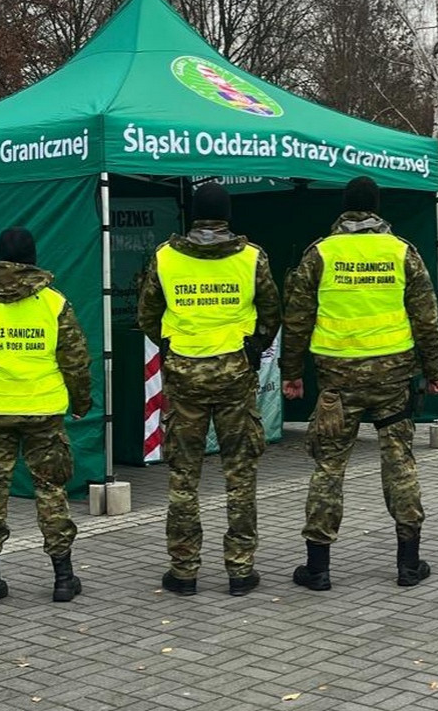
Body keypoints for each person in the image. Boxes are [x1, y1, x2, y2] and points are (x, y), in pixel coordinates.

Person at [281, 176, 438, 590]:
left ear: (344, 208)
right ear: (377, 208)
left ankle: (317, 567)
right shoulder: (402, 252)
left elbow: (297, 317)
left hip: (338, 379)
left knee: (329, 467)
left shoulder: (321, 252)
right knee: (399, 463)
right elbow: (426, 318)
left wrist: (292, 373)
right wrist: (435, 371)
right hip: (393, 376)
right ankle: (409, 562)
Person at [138, 181, 280, 597]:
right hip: (235, 373)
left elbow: (148, 312)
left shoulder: (166, 257)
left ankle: (184, 571)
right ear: (228, 215)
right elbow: (271, 311)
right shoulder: (252, 258)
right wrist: (251, 348)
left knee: (184, 478)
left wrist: (170, 345)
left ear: (193, 215)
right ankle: (240, 570)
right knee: (240, 476)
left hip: (183, 374)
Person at [0, 227, 91, 607]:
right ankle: (62, 578)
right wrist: (81, 401)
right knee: (51, 490)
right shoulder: (54, 304)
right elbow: (74, 360)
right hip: (42, 408)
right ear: (33, 260)